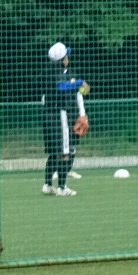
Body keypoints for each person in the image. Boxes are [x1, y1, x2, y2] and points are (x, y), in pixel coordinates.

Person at [42, 42, 88, 196]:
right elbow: (61, 86)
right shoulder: (58, 72)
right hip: (59, 113)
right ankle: (62, 187)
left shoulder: (48, 70)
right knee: (64, 152)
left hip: (48, 114)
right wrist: (78, 82)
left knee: (55, 152)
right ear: (62, 58)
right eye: (66, 55)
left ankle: (47, 185)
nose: (68, 57)